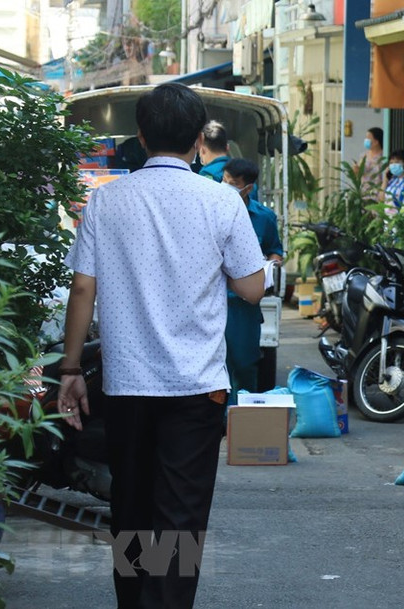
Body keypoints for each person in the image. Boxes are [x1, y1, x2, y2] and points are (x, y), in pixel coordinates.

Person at [58, 83, 265, 609]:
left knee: (130, 508)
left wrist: (70, 370)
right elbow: (251, 287)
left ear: (141, 137)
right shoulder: (222, 200)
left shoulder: (106, 200)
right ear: (199, 140)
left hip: (127, 384)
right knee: (180, 518)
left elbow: (83, 288)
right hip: (196, 389)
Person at [221, 158, 284, 399]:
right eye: (224, 180)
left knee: (245, 363)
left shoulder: (263, 217)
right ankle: (218, 420)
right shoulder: (211, 209)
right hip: (214, 300)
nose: (226, 186)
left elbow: (274, 250)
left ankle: (242, 418)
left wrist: (272, 264)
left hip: (244, 304)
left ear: (248, 188)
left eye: (233, 183)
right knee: (217, 366)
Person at [357, 126, 384, 191]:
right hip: (364, 192)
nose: (365, 140)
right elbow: (359, 173)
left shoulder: (383, 156)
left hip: (378, 191)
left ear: (376, 141)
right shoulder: (363, 156)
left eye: (368, 138)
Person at [382, 149, 404, 215]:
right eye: (391, 163)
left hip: (401, 219)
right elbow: (381, 198)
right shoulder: (391, 180)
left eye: (397, 162)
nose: (393, 165)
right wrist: (385, 179)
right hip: (388, 220)